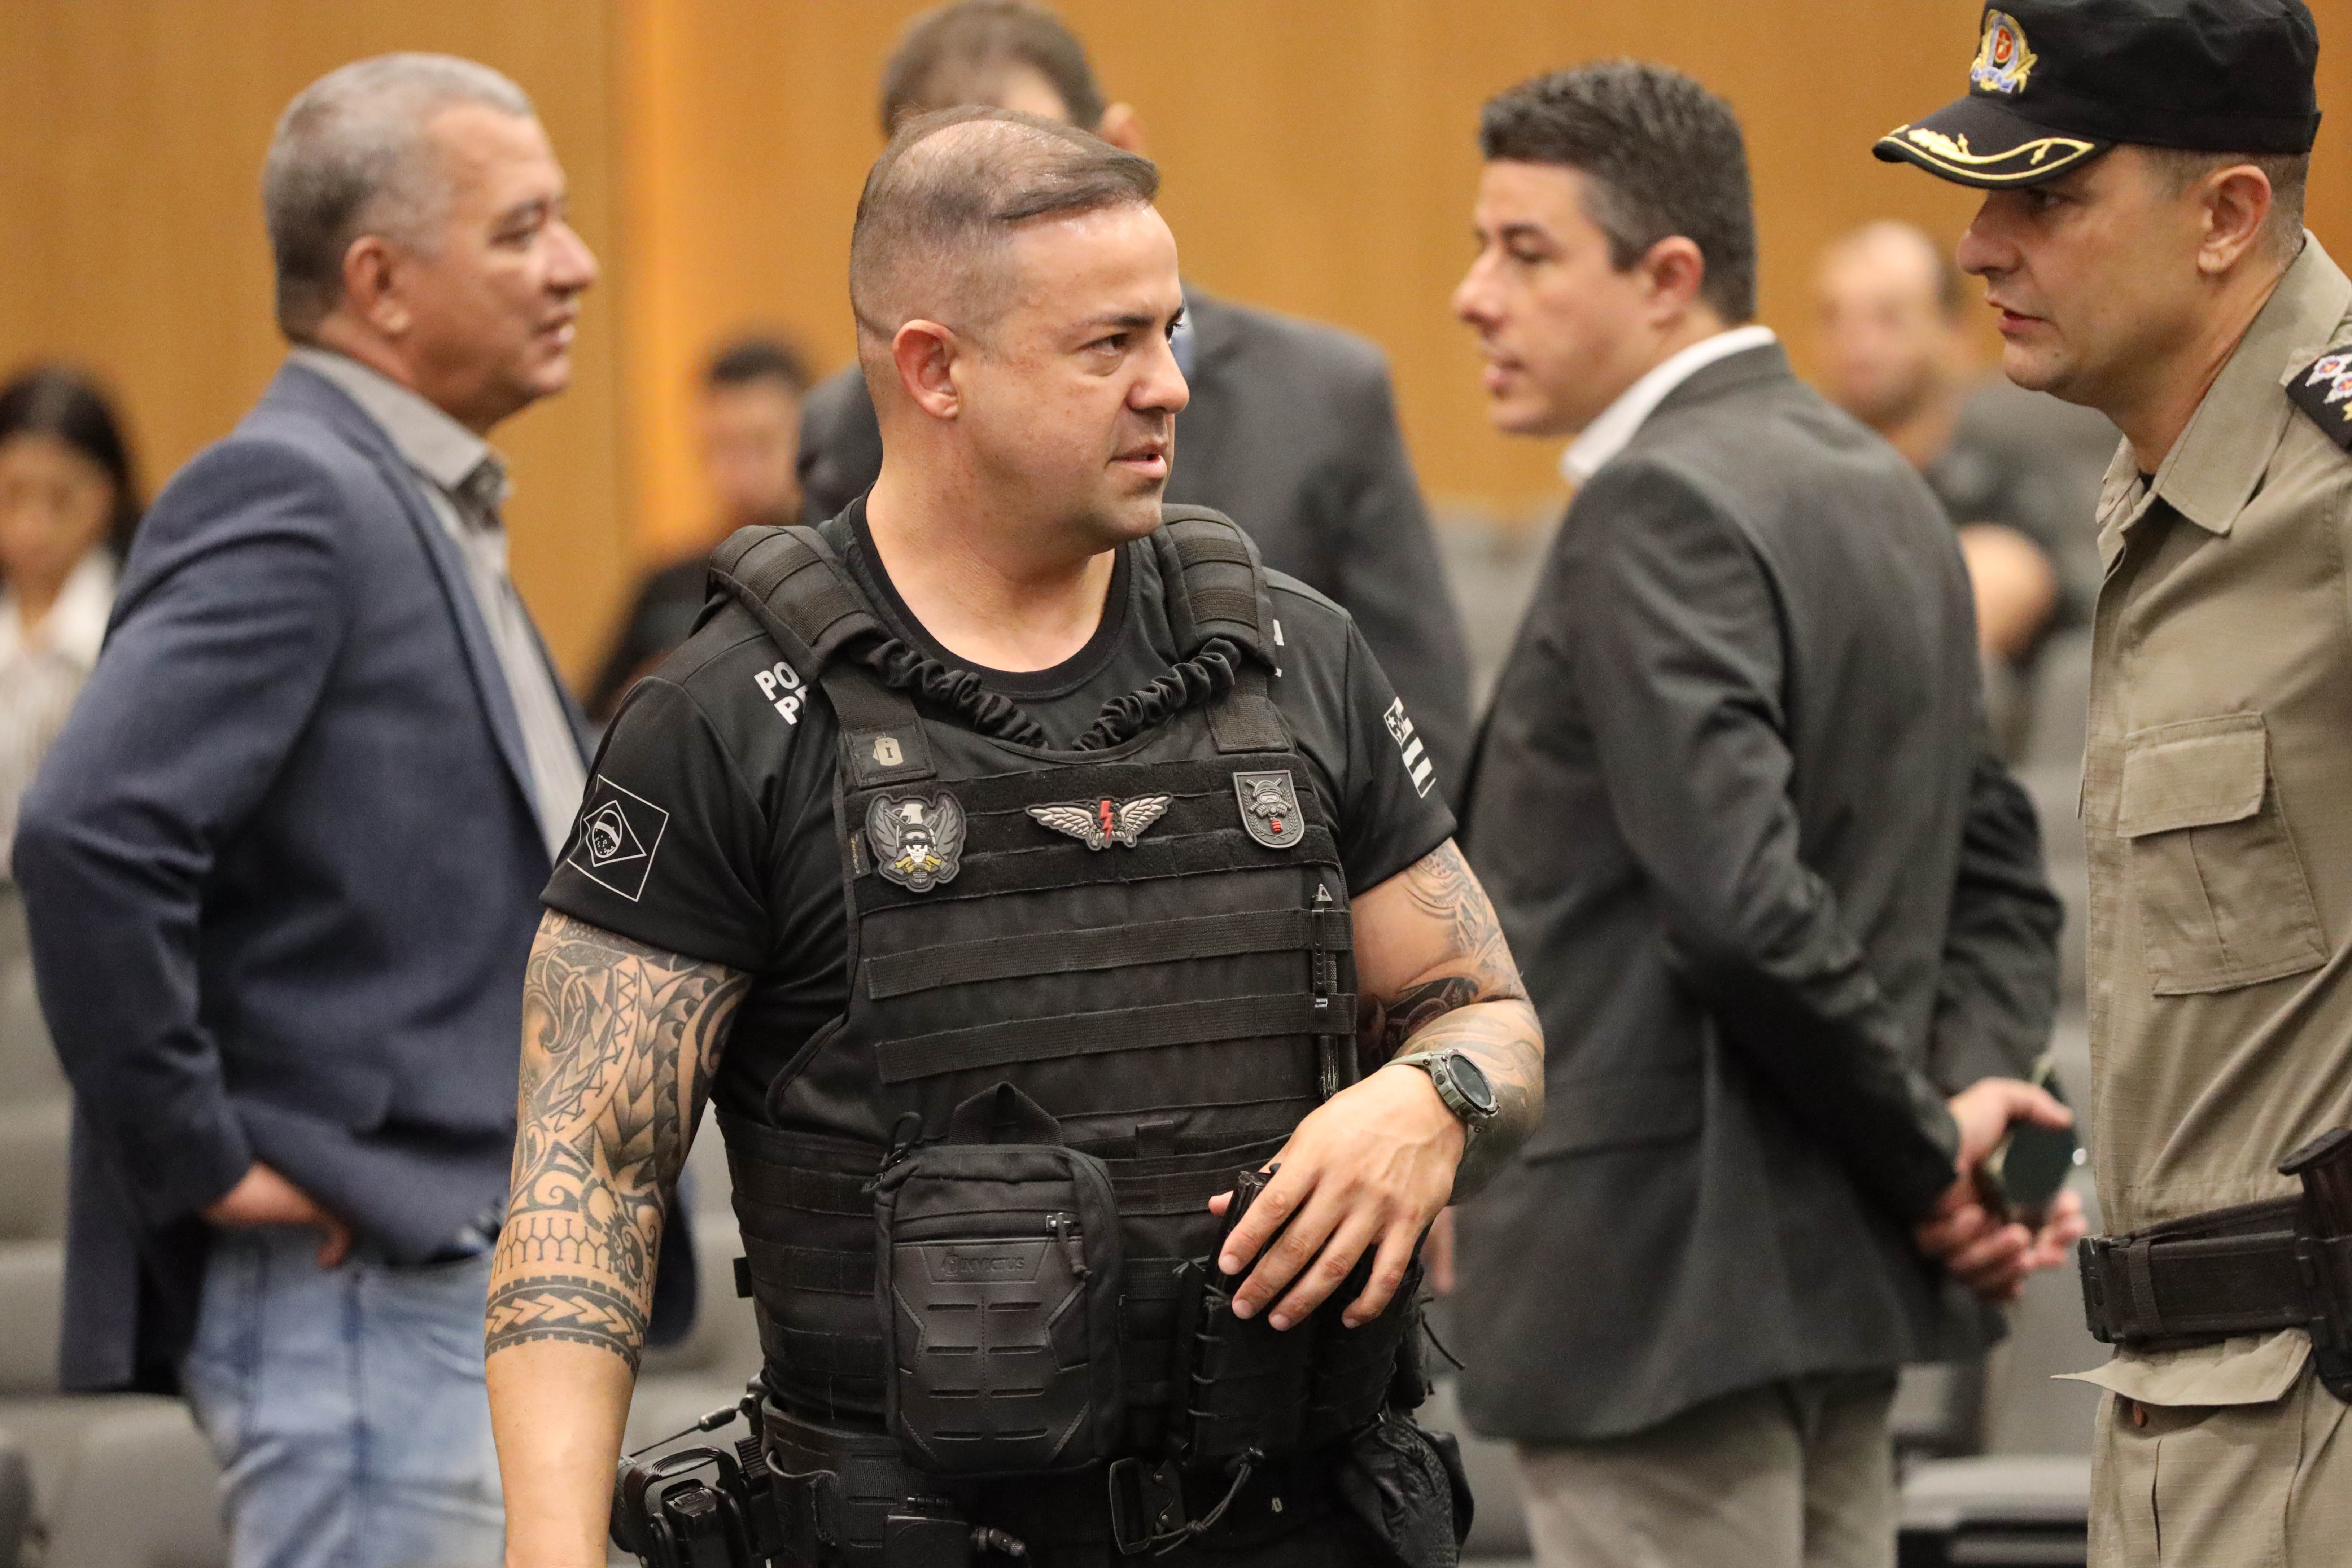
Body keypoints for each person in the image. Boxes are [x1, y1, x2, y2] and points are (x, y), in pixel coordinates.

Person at [485, 107, 1543, 1568]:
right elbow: (588, 1173)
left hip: (1303, 1521)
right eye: (1109, 345)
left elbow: (1487, 1015)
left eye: (1169, 332)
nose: (1170, 385)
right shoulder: (726, 719)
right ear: (936, 370)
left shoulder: (1294, 656)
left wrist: (1434, 1100)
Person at [1447, 62, 2080, 1568]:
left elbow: (1736, 908)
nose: (1474, 296)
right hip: (1824, 1276)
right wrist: (1969, 1108)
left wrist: (1929, 1159)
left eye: (1524, 252)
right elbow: (1997, 879)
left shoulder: (1652, 503)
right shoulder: (1878, 484)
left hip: (1659, 1292)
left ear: (1667, 279)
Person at [12, 54, 614, 1568]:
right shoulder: (295, 491)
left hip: (440, 1285)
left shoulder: (407, 495)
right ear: (380, 282)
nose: (576, 264)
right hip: (362, 1293)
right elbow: (85, 836)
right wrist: (204, 1159)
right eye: (523, 228)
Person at [1875, 1, 2347, 1563]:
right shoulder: (2157, 485)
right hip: (2175, 1412)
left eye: (2045, 197)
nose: (1978, 247)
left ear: (2225, 217)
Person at [796, 0, 1474, 800]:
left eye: (1026, 183)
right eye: (941, 190)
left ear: (1119, 145)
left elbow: (1414, 723)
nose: (982, 218)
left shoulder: (1325, 396)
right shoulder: (851, 427)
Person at [1813, 221, 2104, 752]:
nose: (1858, 343)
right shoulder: (1803, 485)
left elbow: (1945, 632)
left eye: (1888, 317)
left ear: (1954, 333)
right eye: (1835, 317)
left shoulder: (2005, 482)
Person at [0, 365, 140, 1098]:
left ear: (108, 496)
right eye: (12, 494)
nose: (32, 526)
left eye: (61, 499)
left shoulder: (140, 628)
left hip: (88, 932)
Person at [586, 334, 814, 721]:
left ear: (810, 440)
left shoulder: (848, 575)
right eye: (722, 448)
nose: (739, 475)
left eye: (760, 446)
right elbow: (593, 726)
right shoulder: (666, 588)